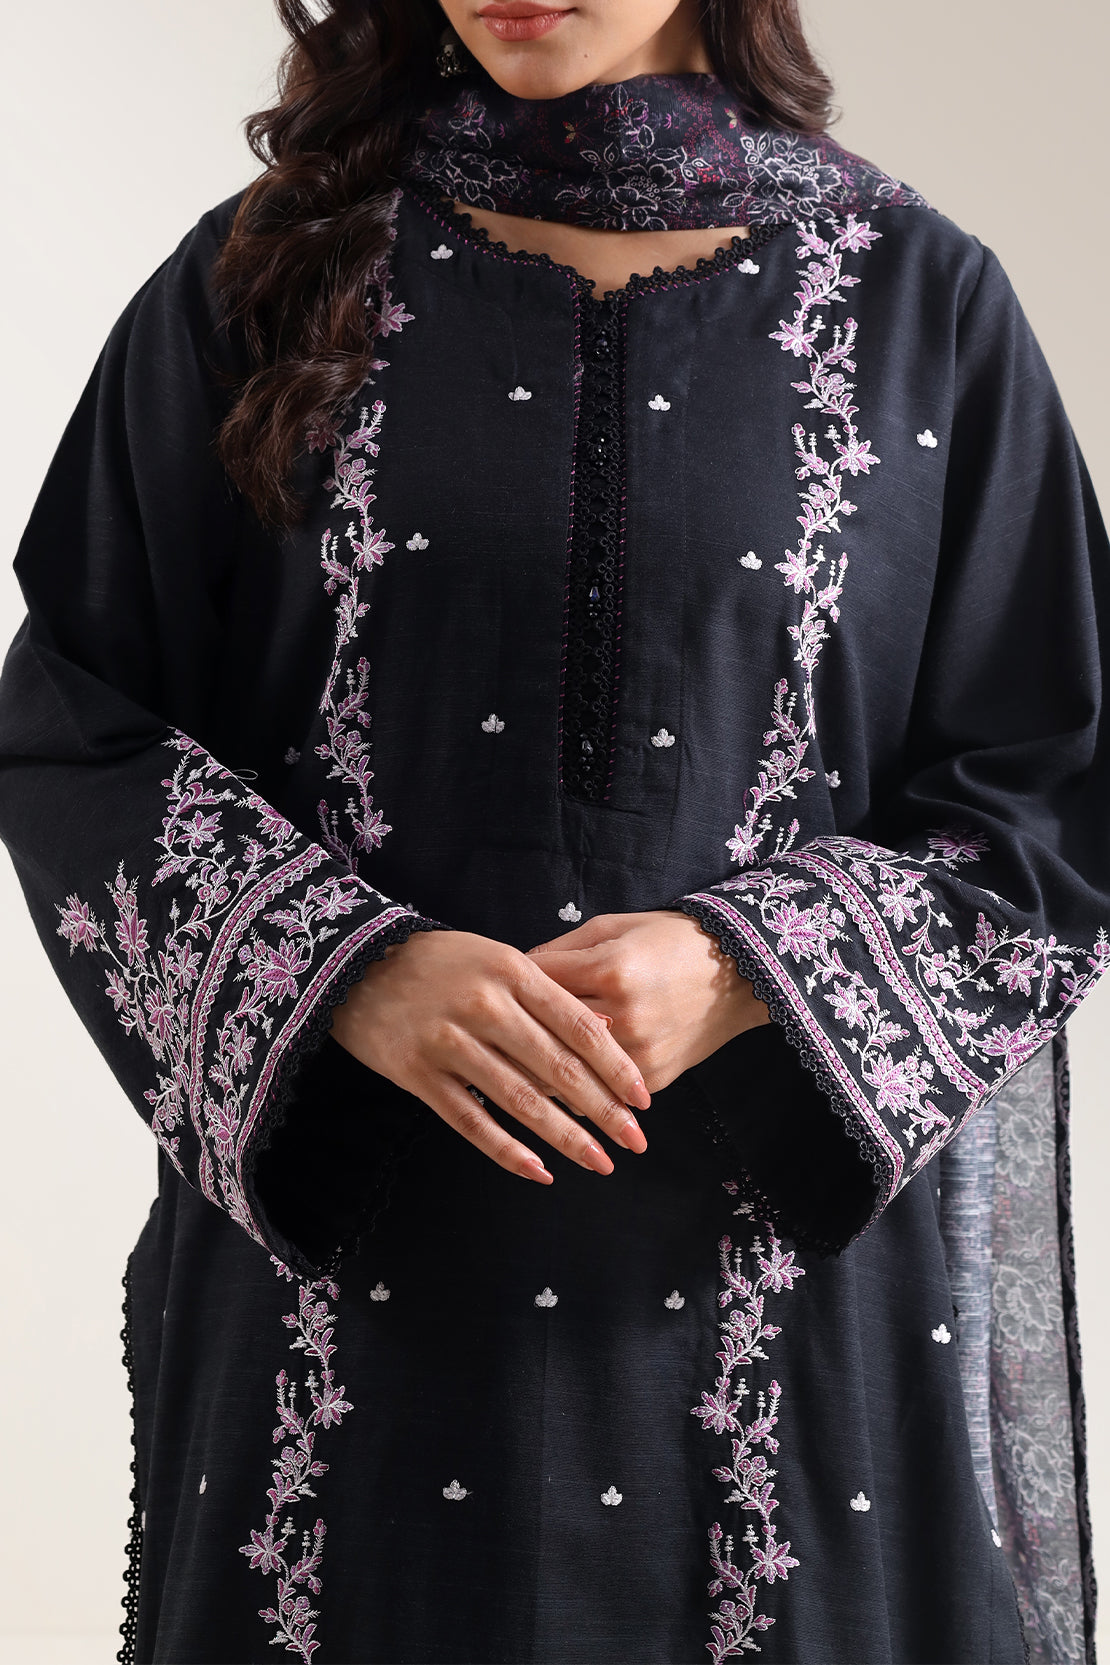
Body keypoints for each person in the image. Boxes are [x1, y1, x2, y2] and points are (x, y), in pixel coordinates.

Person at [0, 0, 1106, 1659]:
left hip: (774, 1314)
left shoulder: (914, 302)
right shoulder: (263, 275)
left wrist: (745, 964)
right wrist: (345, 971)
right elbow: (75, 724)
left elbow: (1052, 781)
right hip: (352, 1287)